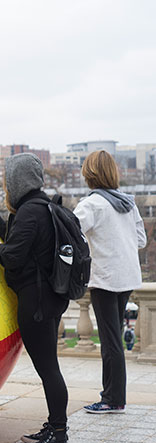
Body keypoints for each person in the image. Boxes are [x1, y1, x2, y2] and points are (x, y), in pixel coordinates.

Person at [0, 153, 70, 443]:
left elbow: (13, 256)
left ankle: (59, 436)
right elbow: (22, 243)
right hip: (50, 299)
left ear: (15, 180)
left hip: (36, 303)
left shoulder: (31, 211)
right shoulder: (43, 206)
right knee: (49, 367)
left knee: (48, 369)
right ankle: (54, 426)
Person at [73, 150, 146, 414]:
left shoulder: (91, 204)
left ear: (90, 174)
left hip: (104, 279)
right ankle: (111, 395)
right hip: (126, 278)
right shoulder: (128, 203)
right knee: (112, 338)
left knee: (111, 340)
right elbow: (141, 241)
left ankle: (113, 399)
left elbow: (70, 233)